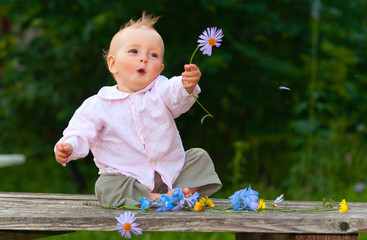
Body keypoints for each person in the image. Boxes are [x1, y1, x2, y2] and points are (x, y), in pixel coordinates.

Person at [54, 12, 222, 208]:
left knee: (199, 157)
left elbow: (175, 94)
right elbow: (81, 131)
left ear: (159, 69)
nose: (144, 58)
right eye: (134, 51)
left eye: (153, 55)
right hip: (131, 181)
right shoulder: (98, 104)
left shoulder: (160, 89)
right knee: (106, 185)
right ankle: (157, 199)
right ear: (112, 64)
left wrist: (186, 85)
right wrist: (69, 146)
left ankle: (184, 192)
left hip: (171, 173)